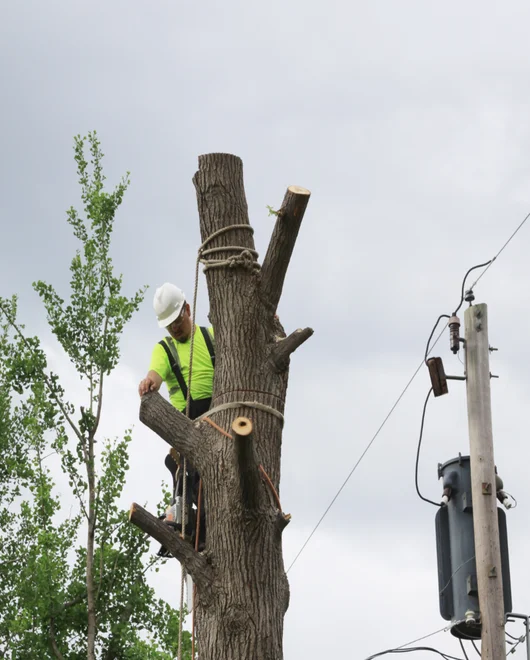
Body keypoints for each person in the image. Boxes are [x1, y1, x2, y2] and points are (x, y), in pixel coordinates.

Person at [138, 282, 214, 549]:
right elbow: (155, 374)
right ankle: (190, 523)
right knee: (190, 475)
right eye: (168, 325)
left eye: (177, 321)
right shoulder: (164, 349)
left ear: (188, 309)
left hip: (219, 419)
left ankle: (201, 526)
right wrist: (149, 383)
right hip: (188, 425)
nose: (174, 328)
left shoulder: (211, 336)